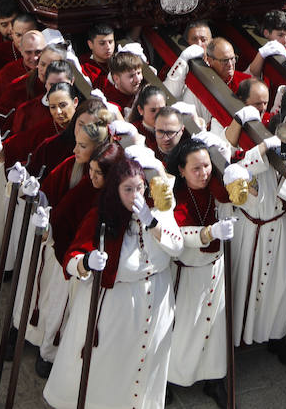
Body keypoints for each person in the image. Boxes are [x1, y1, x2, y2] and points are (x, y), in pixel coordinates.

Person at [44, 155, 182, 409]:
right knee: (109, 366)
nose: (135, 195)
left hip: (156, 301)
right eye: (127, 189)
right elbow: (72, 258)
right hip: (116, 309)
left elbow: (176, 245)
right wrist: (87, 262)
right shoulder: (102, 216)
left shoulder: (159, 211)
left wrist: (150, 222)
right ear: (115, 189)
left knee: (146, 361)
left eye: (139, 188)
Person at [166, 137, 233, 406]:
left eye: (206, 166)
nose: (203, 173)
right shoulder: (176, 195)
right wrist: (207, 233)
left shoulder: (215, 189)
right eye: (196, 168)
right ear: (181, 170)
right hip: (189, 274)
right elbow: (178, 232)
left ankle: (214, 379)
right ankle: (170, 378)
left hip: (215, 270)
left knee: (214, 329)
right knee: (184, 329)